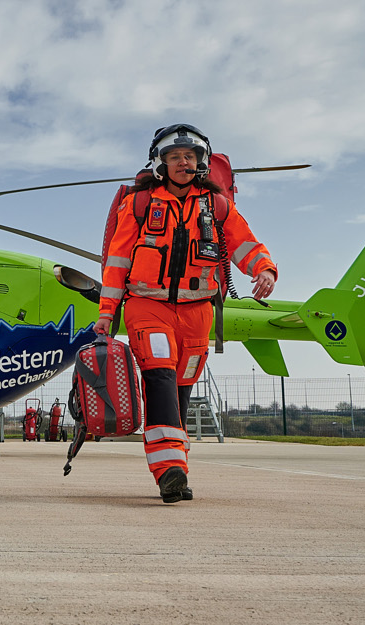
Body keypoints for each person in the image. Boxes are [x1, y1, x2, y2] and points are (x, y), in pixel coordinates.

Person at [91, 124, 277, 503]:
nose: (182, 162)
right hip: (148, 305)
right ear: (160, 163)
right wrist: (108, 312)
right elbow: (117, 262)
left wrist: (265, 269)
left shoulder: (218, 205)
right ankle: (170, 472)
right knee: (159, 376)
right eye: (174, 157)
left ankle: (175, 461)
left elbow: (244, 243)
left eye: (189, 157)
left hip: (197, 312)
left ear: (201, 163)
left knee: (180, 390)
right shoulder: (139, 204)